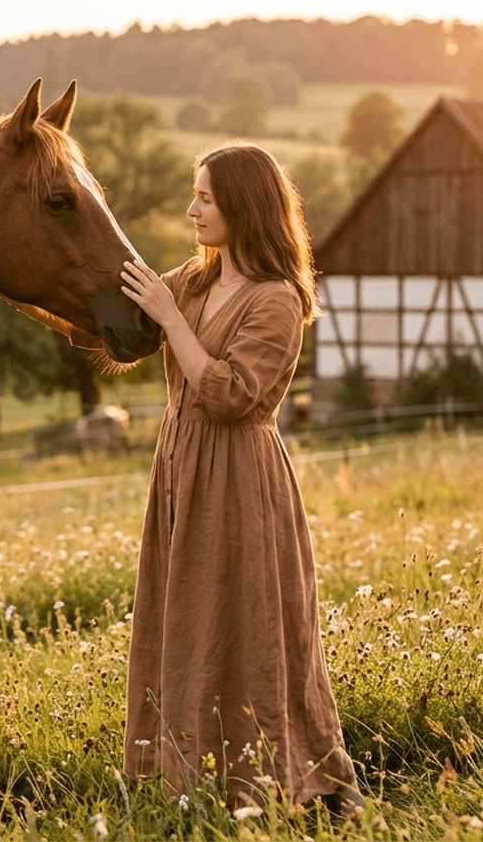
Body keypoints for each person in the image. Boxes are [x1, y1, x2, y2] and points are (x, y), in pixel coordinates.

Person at [116, 142, 362, 815]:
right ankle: (182, 775)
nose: (191, 210)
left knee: (249, 626)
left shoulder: (276, 300)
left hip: (239, 478)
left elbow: (228, 394)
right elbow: (131, 309)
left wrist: (171, 320)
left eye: (205, 198)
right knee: (184, 621)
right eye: (194, 194)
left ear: (244, 207)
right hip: (180, 468)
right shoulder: (194, 282)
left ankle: (280, 779)